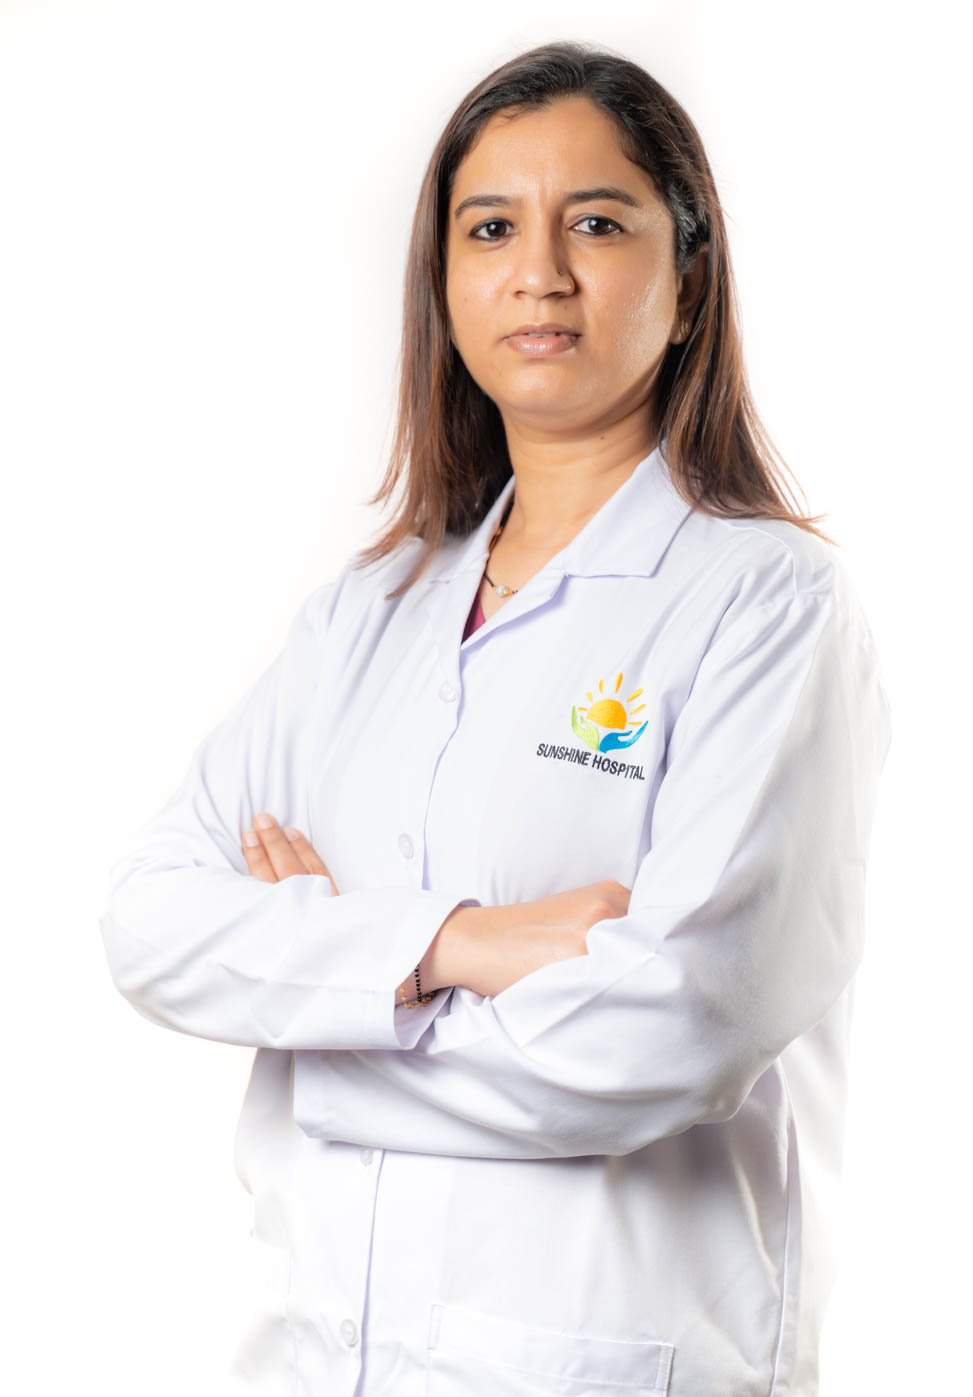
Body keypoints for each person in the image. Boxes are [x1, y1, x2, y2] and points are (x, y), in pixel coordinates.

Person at [99, 39, 892, 1397]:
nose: (540, 273)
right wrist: (457, 944)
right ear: (446, 283)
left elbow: (673, 1029)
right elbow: (149, 920)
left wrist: (316, 1018)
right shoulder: (369, 612)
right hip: (315, 1358)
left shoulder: (768, 605)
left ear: (689, 283)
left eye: (598, 222)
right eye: (490, 229)